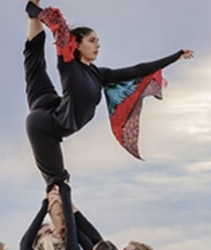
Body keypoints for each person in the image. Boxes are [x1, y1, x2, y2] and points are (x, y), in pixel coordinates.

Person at [23, 0, 194, 187]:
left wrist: (175, 56)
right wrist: (36, 9)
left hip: (48, 103)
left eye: (98, 41)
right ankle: (31, 8)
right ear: (77, 45)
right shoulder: (68, 62)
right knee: (59, 185)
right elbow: (59, 27)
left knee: (34, 64)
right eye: (92, 40)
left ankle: (31, 13)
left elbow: (137, 70)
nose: (98, 45)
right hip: (46, 126)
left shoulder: (99, 74)